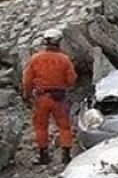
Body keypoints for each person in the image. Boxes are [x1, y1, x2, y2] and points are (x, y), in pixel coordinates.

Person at [22, 29, 78, 165]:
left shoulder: (35, 59)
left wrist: (27, 95)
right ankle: (66, 155)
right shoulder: (64, 59)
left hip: (41, 97)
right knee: (64, 126)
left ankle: (44, 156)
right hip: (59, 97)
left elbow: (27, 80)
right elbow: (72, 79)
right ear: (59, 42)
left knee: (41, 127)